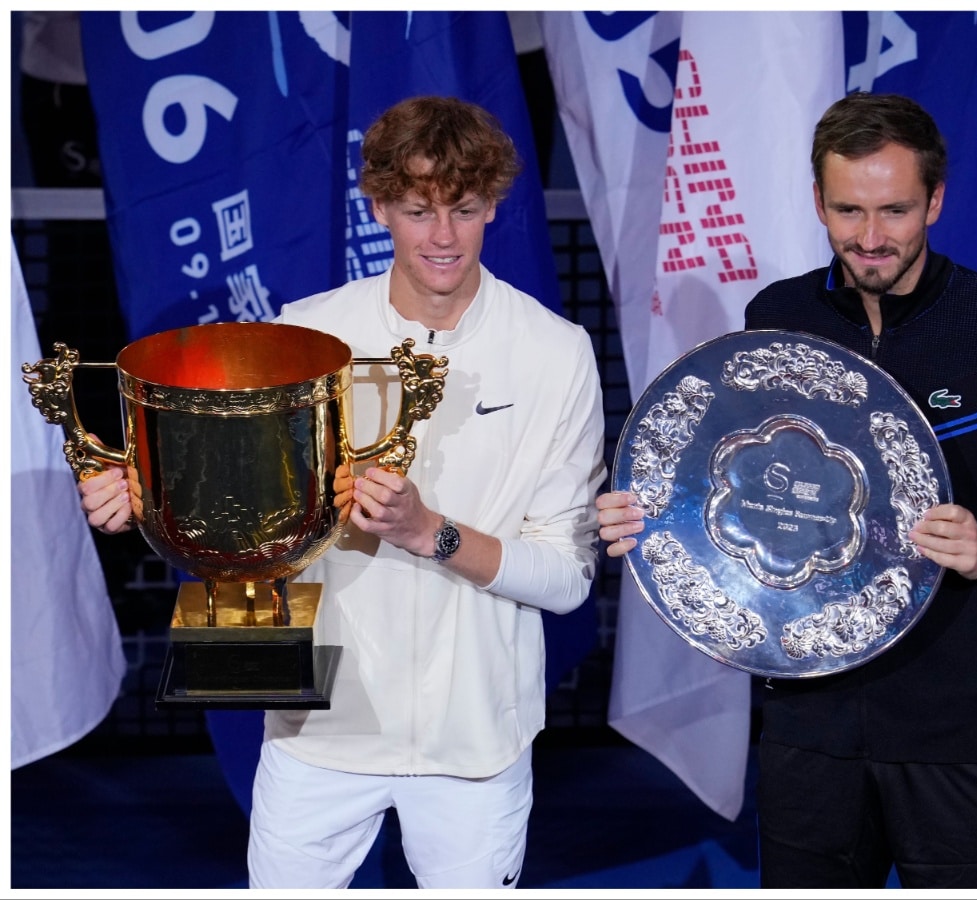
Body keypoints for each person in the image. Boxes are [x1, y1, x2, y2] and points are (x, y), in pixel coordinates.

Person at [595, 92, 977, 889]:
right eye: (848, 210)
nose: (869, 238)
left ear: (936, 199)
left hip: (965, 731)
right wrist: (650, 515)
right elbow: (732, 485)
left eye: (894, 211)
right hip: (807, 727)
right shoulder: (777, 317)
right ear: (818, 201)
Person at [79, 95, 608, 889]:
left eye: (464, 209)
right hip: (316, 732)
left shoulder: (556, 353)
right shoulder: (305, 335)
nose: (441, 236)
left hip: (476, 739)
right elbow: (238, 517)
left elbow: (566, 579)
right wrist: (150, 495)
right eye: (416, 209)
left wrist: (429, 529)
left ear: (494, 205)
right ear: (379, 206)